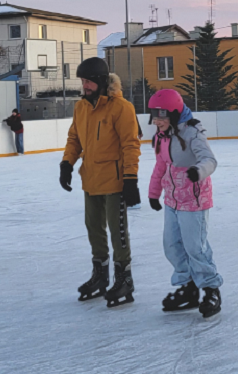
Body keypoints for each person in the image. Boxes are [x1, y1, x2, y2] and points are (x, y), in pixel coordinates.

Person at [59, 57, 142, 308]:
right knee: (94, 231)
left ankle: (124, 278)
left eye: (87, 81)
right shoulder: (81, 107)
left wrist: (130, 179)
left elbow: (131, 145)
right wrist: (67, 164)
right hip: (91, 180)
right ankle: (101, 276)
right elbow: (74, 139)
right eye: (82, 81)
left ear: (100, 81)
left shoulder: (121, 108)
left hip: (116, 182)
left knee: (118, 234)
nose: (84, 86)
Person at [145, 89, 223, 318]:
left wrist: (198, 171)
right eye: (154, 115)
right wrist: (153, 193)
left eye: (161, 115)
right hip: (172, 200)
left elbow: (210, 160)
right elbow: (161, 166)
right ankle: (188, 288)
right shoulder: (162, 136)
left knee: (195, 247)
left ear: (175, 114)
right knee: (172, 245)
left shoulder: (192, 134)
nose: (156, 120)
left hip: (194, 200)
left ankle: (210, 289)